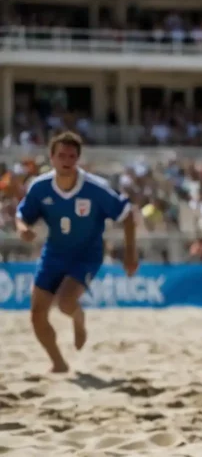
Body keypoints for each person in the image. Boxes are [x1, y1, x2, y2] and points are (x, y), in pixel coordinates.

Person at [15, 132, 137, 373]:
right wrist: (23, 230)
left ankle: (78, 319)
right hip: (54, 253)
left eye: (72, 156)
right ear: (51, 157)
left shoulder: (95, 188)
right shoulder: (40, 187)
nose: (66, 160)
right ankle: (58, 363)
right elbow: (22, 216)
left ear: (78, 159)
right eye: (61, 155)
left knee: (65, 302)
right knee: (37, 314)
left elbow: (128, 215)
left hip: (87, 254)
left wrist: (131, 254)